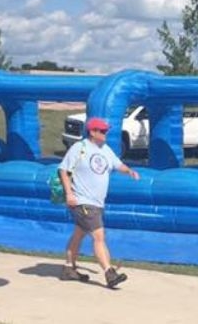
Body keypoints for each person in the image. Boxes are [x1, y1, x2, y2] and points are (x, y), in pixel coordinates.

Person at [59, 116, 140, 288]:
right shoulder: (79, 148)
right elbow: (63, 170)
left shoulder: (105, 149)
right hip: (82, 201)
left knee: (79, 234)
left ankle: (68, 268)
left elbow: (118, 165)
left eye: (106, 130)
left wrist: (129, 171)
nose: (106, 133)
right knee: (99, 236)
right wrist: (69, 194)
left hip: (97, 202)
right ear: (92, 132)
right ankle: (109, 273)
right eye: (102, 131)